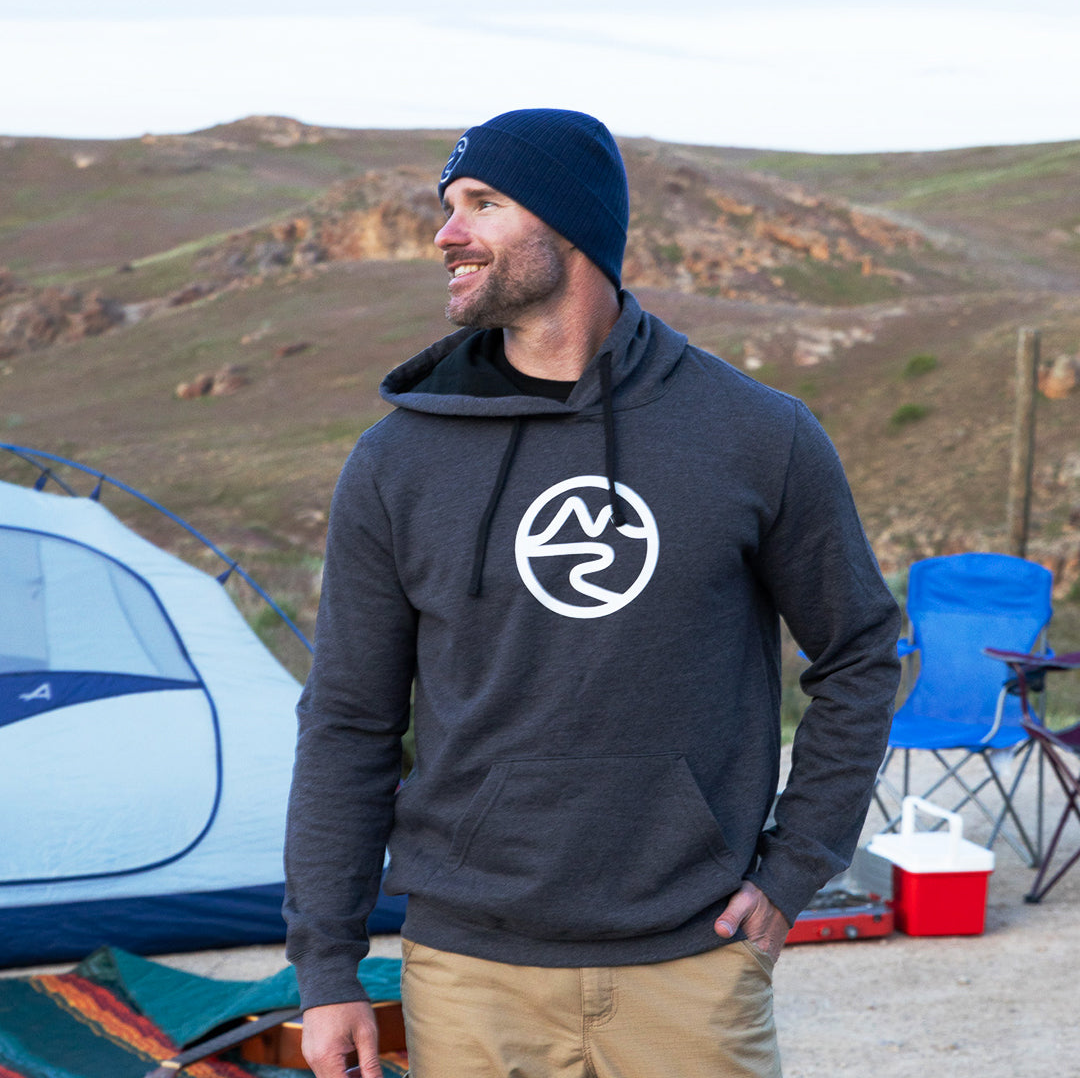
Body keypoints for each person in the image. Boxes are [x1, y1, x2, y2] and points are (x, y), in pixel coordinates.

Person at [284, 108, 901, 1078]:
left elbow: (861, 653)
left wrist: (795, 869)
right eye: (448, 207)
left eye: (483, 204)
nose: (447, 233)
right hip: (469, 972)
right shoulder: (395, 462)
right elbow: (348, 722)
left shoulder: (757, 436)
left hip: (691, 963)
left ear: (572, 225)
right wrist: (326, 970)